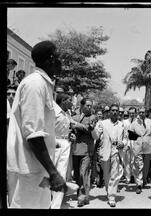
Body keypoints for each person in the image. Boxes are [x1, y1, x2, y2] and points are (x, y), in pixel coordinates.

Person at [7, 41, 66, 208]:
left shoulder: (44, 84)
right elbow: (33, 135)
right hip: (31, 169)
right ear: (51, 59)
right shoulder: (35, 84)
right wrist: (54, 173)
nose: (62, 62)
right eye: (59, 58)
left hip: (39, 168)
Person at [96, 104, 125, 207]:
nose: (115, 112)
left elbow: (125, 138)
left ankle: (112, 197)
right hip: (105, 152)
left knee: (115, 174)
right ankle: (109, 191)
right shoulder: (102, 123)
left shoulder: (121, 124)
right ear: (109, 112)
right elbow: (96, 135)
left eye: (116, 110)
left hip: (116, 152)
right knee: (107, 176)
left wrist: (123, 143)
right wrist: (93, 129)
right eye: (112, 110)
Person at [71, 97, 98, 207]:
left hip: (87, 150)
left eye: (91, 106)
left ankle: (81, 198)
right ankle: (82, 195)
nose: (89, 107)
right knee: (77, 175)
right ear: (81, 106)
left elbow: (89, 129)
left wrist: (76, 125)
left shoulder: (93, 117)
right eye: (87, 105)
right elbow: (70, 127)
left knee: (84, 173)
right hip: (75, 150)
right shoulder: (74, 117)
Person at [51, 93, 76, 209]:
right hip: (54, 144)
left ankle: (55, 205)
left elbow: (70, 125)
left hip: (65, 143)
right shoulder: (53, 111)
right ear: (63, 101)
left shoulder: (68, 113)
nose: (71, 102)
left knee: (61, 175)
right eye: (69, 100)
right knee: (51, 174)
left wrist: (71, 135)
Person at [129, 107, 151, 194]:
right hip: (138, 146)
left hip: (148, 146)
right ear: (138, 113)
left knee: (146, 166)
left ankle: (144, 180)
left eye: (143, 112)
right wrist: (134, 144)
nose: (141, 114)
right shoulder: (134, 123)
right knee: (139, 165)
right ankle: (139, 184)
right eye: (140, 112)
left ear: (146, 113)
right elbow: (130, 135)